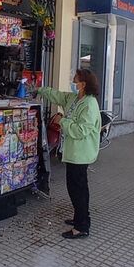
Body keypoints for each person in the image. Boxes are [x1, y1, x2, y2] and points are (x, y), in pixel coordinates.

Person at [37, 69, 101, 239]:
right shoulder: (75, 98)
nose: (73, 82)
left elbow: (81, 130)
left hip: (81, 154)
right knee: (74, 187)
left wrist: (62, 121)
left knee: (78, 189)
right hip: (73, 152)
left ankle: (82, 226)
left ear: (83, 84)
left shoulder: (90, 105)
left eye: (75, 80)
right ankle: (79, 217)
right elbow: (59, 96)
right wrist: (39, 90)